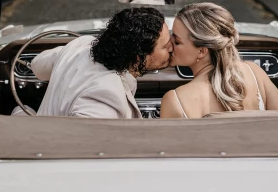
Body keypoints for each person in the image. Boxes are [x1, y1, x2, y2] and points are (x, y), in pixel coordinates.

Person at [29, 7, 173, 118]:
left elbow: (37, 66)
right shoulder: (104, 96)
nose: (172, 47)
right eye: (166, 46)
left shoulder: (80, 44)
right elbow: (82, 148)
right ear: (138, 57)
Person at [160, 3, 278, 119]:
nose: (169, 45)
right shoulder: (254, 73)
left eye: (177, 42)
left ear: (202, 51)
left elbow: (168, 145)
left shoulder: (175, 100)